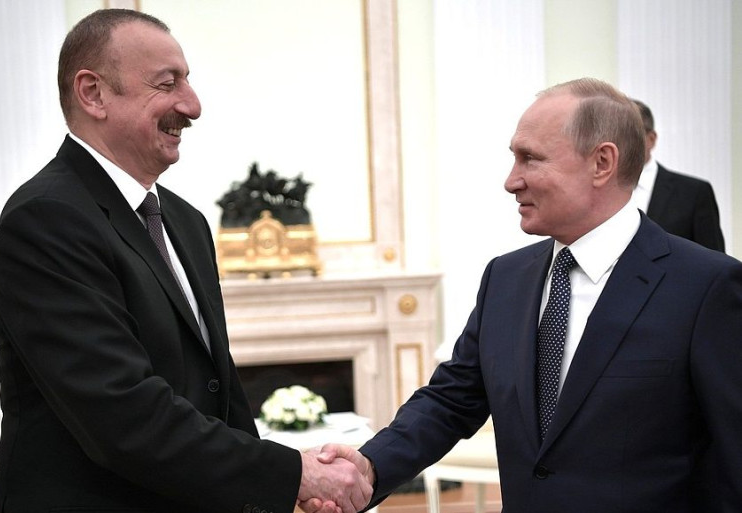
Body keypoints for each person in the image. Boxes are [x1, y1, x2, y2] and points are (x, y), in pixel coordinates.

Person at [0, 9, 369, 513]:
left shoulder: (186, 222)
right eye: (168, 84)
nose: (193, 106)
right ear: (93, 93)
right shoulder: (45, 220)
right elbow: (121, 415)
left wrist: (271, 493)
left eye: (187, 81)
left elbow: (219, 392)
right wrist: (292, 475)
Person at [309, 78, 742, 512]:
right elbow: (451, 399)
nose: (511, 181)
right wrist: (370, 468)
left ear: (602, 163)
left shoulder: (705, 287)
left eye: (530, 159)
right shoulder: (505, 277)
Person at [630, 98, 725, 251]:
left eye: (628, 134)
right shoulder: (598, 191)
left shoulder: (694, 193)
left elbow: (715, 259)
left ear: (651, 139)